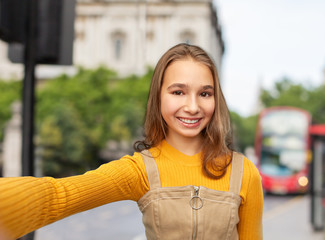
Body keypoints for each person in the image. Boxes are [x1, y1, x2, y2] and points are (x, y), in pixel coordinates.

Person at [0, 43, 264, 240]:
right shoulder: (140, 170)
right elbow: (58, 196)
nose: (193, 106)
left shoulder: (243, 173)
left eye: (205, 93)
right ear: (158, 97)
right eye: (178, 92)